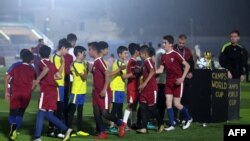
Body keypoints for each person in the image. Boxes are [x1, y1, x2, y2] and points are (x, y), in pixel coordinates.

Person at [32, 45, 73, 141]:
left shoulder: (42, 62)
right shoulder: (51, 63)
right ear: (49, 53)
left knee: (41, 112)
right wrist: (63, 63)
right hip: (53, 91)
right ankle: (66, 129)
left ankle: (37, 137)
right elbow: (58, 76)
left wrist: (38, 79)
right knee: (49, 114)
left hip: (46, 91)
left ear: (40, 53)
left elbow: (46, 69)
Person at [88, 42, 126, 139]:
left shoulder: (100, 61)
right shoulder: (96, 62)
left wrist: (104, 89)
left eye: (90, 50)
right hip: (96, 92)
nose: (88, 52)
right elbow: (97, 76)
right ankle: (102, 132)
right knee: (96, 113)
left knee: (104, 113)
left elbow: (107, 74)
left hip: (103, 92)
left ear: (94, 51)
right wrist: (90, 69)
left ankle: (121, 124)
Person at [156, 35, 192, 131]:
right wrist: (150, 72)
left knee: (176, 104)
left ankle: (189, 118)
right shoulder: (163, 56)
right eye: (163, 42)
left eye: (165, 43)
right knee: (168, 102)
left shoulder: (175, 54)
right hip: (168, 82)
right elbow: (160, 70)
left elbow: (187, 66)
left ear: (170, 44)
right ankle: (172, 124)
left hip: (177, 82)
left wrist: (182, 78)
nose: (163, 44)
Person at [5, 50, 36, 141]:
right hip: (26, 94)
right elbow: (35, 82)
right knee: (21, 112)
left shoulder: (16, 67)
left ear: (22, 58)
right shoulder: (32, 69)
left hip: (16, 93)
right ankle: (17, 130)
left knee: (12, 113)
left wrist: (7, 92)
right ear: (31, 59)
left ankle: (13, 126)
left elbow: (7, 78)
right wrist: (30, 90)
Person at [136, 45, 164, 134]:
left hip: (151, 89)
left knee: (151, 108)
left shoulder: (148, 61)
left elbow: (152, 71)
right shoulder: (145, 62)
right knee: (143, 107)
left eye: (140, 54)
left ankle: (161, 123)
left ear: (144, 54)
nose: (139, 55)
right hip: (145, 90)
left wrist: (144, 83)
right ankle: (144, 128)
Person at [49, 38, 71, 137]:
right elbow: (58, 74)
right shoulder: (55, 58)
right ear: (62, 48)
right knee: (57, 109)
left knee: (57, 109)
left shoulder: (58, 57)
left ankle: (53, 130)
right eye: (67, 49)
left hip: (60, 86)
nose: (67, 52)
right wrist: (63, 63)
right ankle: (56, 131)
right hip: (57, 86)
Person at [67, 46, 89, 137]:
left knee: (80, 111)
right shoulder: (75, 64)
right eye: (83, 52)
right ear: (78, 53)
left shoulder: (82, 63)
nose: (85, 54)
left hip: (82, 91)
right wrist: (87, 69)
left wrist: (86, 68)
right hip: (76, 91)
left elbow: (84, 75)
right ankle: (68, 130)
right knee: (72, 111)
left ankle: (79, 130)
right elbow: (84, 77)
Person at [173, 34, 194, 123]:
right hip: (176, 77)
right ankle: (174, 118)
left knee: (185, 98)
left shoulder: (188, 51)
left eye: (183, 43)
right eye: (180, 43)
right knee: (175, 98)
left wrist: (191, 72)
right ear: (178, 41)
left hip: (186, 78)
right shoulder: (173, 49)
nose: (181, 44)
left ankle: (183, 118)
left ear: (185, 42)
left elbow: (191, 63)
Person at [121, 43, 141, 129]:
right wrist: (139, 72)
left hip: (136, 86)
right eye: (139, 50)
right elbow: (132, 74)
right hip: (132, 86)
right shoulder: (132, 62)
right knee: (131, 104)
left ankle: (133, 123)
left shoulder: (134, 61)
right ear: (136, 51)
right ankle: (124, 124)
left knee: (135, 105)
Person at [109, 46, 128, 133]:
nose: (127, 55)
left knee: (120, 108)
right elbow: (124, 76)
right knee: (115, 108)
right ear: (120, 54)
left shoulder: (123, 63)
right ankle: (112, 126)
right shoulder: (117, 63)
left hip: (121, 89)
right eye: (125, 53)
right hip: (115, 88)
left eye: (127, 53)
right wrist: (134, 73)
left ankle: (121, 125)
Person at [64, 33, 77, 125]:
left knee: (65, 99)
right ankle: (68, 121)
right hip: (72, 79)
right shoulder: (73, 51)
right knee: (72, 100)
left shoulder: (64, 50)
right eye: (74, 41)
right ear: (72, 41)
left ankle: (64, 118)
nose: (75, 43)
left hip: (64, 78)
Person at [155, 43, 166, 121]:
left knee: (159, 102)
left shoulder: (159, 53)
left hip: (161, 81)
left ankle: (158, 119)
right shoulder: (162, 54)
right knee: (161, 102)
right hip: (161, 81)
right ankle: (159, 119)